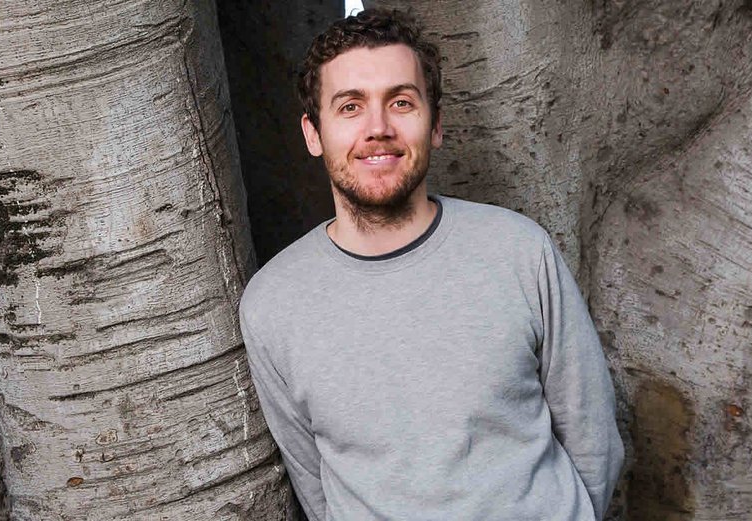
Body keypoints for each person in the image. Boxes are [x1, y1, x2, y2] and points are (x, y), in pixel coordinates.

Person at [238, 8, 623, 520]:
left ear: (435, 124)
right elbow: (313, 482)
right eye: (350, 107)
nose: (378, 128)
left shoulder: (519, 251)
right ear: (313, 134)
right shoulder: (272, 303)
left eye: (401, 102)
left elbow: (593, 439)